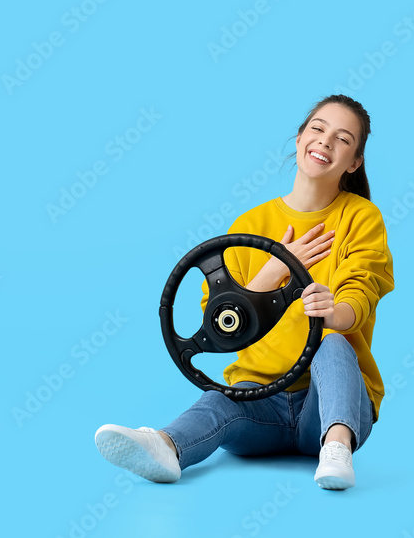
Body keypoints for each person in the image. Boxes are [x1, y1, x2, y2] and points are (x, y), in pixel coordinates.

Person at [94, 94, 394, 490]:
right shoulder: (252, 223)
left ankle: (336, 449)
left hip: (328, 407)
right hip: (261, 401)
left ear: (355, 161)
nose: (325, 142)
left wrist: (335, 312)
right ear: (301, 136)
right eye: (318, 129)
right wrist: (273, 271)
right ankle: (166, 446)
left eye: (343, 139)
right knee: (221, 400)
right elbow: (220, 327)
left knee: (333, 342)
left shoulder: (360, 217)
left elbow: (364, 285)